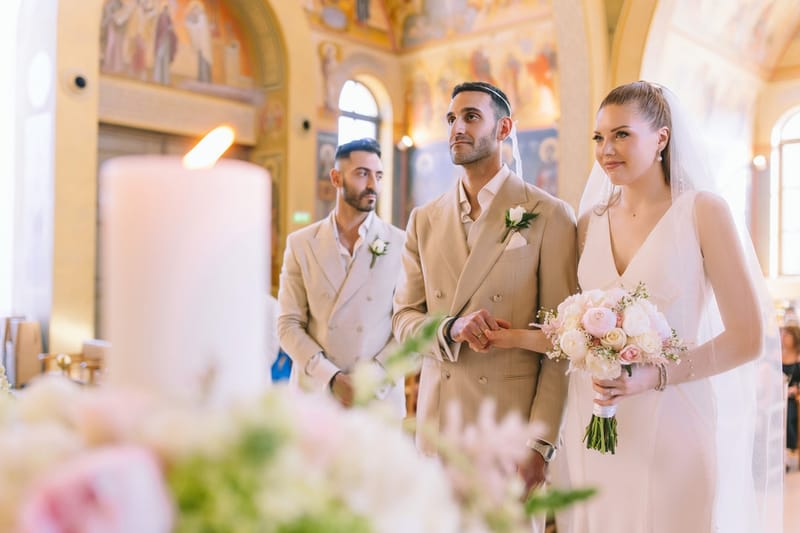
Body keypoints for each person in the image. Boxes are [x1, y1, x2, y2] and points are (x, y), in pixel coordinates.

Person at [490, 80, 783, 532]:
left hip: (674, 423)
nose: (607, 149)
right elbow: (574, 331)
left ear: (661, 139)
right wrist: (507, 336)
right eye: (599, 138)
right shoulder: (589, 222)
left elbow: (746, 338)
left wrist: (655, 374)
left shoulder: (703, 211)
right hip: (594, 425)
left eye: (622, 134)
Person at [392, 81, 577, 505]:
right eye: (452, 119)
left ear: (504, 127)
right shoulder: (424, 220)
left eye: (471, 117)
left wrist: (540, 445)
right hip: (438, 433)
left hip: (508, 437)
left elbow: (561, 345)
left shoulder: (548, 215)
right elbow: (403, 320)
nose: (457, 127)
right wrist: (451, 328)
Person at [277, 138, 405, 417]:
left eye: (378, 175)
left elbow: (409, 328)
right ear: (336, 177)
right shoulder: (301, 244)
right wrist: (331, 377)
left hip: (377, 401)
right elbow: (288, 324)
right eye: (362, 173)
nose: (373, 184)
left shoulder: (402, 244)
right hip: (316, 398)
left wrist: (371, 382)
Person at [783, 326, 800, 462]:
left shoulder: (798, 358)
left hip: (792, 397)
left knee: (789, 414)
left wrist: (795, 389)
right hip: (778, 395)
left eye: (787, 335)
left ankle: (789, 449)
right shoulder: (778, 355)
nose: (783, 337)